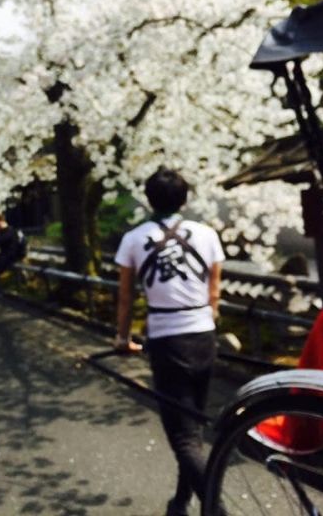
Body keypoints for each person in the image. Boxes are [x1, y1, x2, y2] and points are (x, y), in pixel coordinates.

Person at [113, 167, 224, 516]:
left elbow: (127, 297)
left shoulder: (133, 239)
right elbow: (215, 292)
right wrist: (207, 320)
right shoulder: (207, 234)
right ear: (185, 197)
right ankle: (181, 501)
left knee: (183, 435)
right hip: (204, 335)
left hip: (166, 339)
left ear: (148, 199)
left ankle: (216, 509)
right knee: (192, 427)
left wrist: (122, 337)